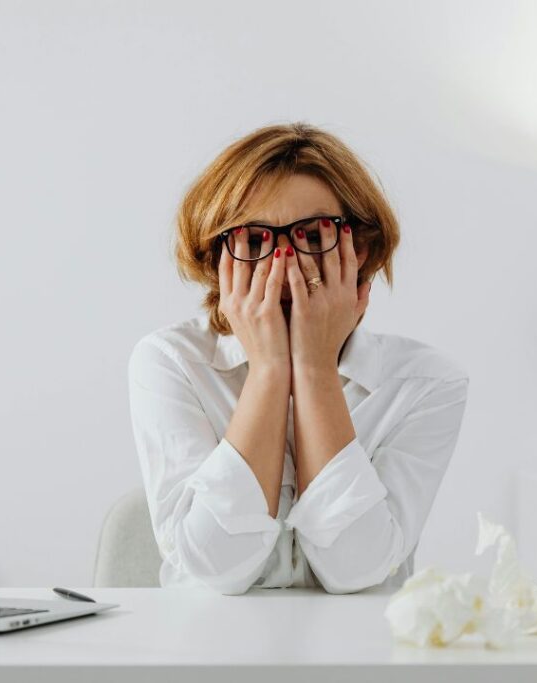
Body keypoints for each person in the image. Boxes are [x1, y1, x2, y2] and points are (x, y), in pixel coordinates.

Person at [128, 122, 468, 595]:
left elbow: (356, 570)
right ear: (217, 255)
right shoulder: (170, 362)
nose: (285, 264)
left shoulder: (425, 383)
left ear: (360, 249)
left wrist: (313, 368)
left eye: (313, 235)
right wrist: (269, 372)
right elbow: (216, 568)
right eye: (254, 239)